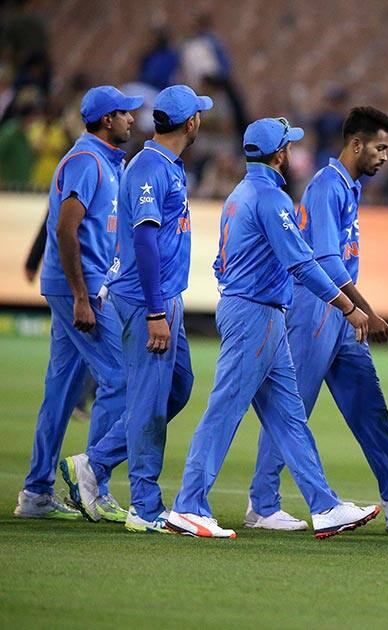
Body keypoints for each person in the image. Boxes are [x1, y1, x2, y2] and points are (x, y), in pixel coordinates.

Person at [165, 118, 380, 539]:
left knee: (288, 416)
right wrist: (348, 306)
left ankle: (324, 505)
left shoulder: (240, 195)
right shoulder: (272, 200)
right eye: (288, 148)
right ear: (280, 154)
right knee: (225, 409)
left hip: (253, 311)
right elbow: (302, 262)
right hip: (256, 315)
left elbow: (222, 261)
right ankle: (188, 504)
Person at [247, 106, 388, 533]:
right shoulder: (327, 187)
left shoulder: (347, 187)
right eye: (379, 147)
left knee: (369, 406)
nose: (384, 156)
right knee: (294, 407)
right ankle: (262, 503)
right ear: (356, 144)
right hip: (315, 310)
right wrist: (367, 310)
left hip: (340, 316)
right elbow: (326, 260)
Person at [61, 85, 211, 532]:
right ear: (190, 123)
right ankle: (145, 506)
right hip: (148, 299)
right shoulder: (149, 167)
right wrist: (154, 311)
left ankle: (95, 463)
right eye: (199, 114)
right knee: (148, 402)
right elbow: (145, 240)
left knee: (178, 387)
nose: (201, 119)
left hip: (165, 295)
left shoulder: (164, 164)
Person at [14, 86, 143, 521]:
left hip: (80, 287)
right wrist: (82, 298)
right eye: (126, 113)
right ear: (108, 120)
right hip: (78, 292)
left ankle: (36, 494)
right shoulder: (87, 163)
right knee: (122, 379)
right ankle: (94, 484)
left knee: (62, 392)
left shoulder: (104, 162)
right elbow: (66, 230)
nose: (132, 120)